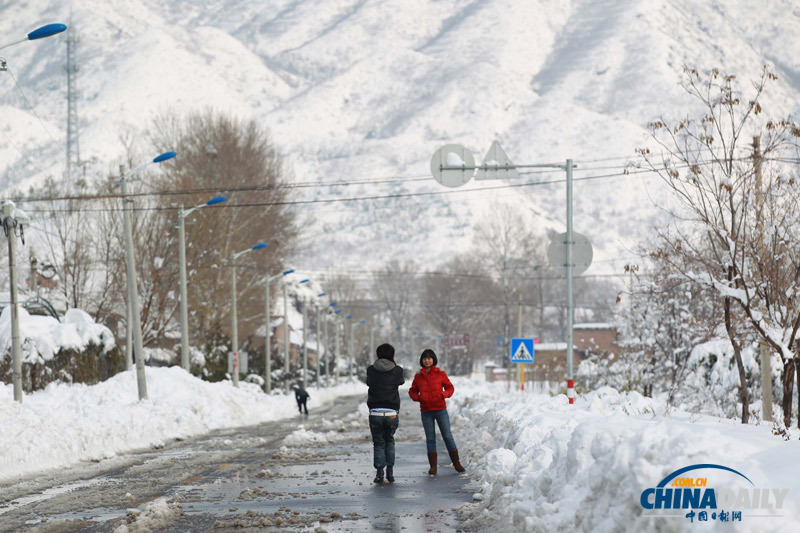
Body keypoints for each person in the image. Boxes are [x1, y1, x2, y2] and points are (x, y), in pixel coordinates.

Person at [408, 348, 465, 475]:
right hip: (426, 411)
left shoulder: (440, 373)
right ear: (422, 360)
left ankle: (457, 463)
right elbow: (412, 391)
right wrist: (419, 398)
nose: (427, 360)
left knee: (447, 436)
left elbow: (450, 388)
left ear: (433, 359)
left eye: (429, 358)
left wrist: (443, 395)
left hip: (440, 410)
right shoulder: (418, 376)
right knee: (430, 439)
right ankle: (433, 467)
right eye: (425, 358)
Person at [366, 343, 405, 484]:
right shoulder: (398, 370)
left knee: (378, 443)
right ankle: (390, 472)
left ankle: (379, 473)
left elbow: (368, 382)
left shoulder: (371, 370)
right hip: (391, 413)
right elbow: (401, 382)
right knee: (390, 441)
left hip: (375, 413)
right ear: (392, 355)